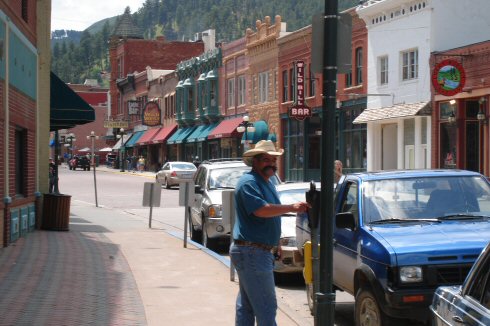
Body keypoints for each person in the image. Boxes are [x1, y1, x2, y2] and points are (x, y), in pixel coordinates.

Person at [230, 140, 310, 325]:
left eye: (273, 160)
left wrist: (277, 243)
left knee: (247, 306)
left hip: (256, 251)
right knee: (266, 306)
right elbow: (262, 210)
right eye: (266, 160)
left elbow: (271, 216)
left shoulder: (267, 183)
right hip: (252, 252)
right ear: (254, 162)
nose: (271, 164)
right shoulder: (248, 183)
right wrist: (292, 207)